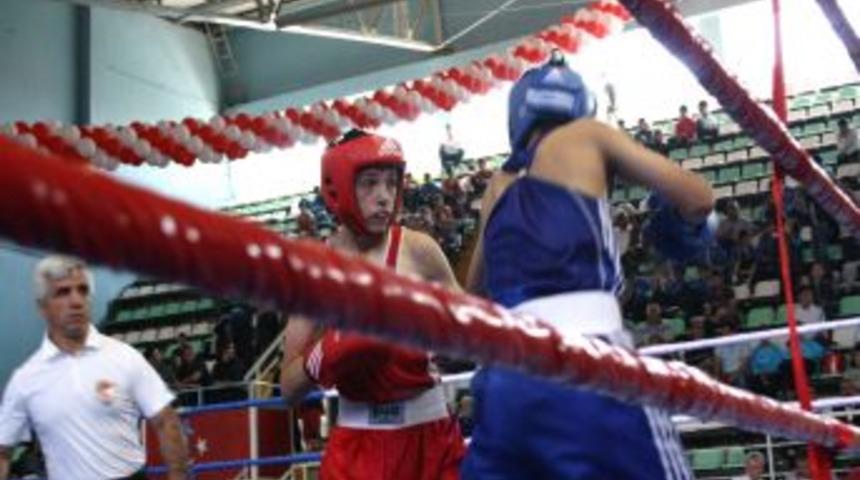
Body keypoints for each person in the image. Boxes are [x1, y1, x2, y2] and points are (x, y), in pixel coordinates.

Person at [463, 53, 714, 479]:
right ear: (581, 105)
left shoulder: (496, 188)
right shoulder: (588, 135)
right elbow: (699, 198)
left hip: (504, 378)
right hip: (591, 359)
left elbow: (472, 292)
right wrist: (682, 228)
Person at [279, 130, 465, 480]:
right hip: (356, 447)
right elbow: (288, 389)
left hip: (430, 437)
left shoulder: (418, 250)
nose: (384, 196)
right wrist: (325, 353)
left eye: (391, 184)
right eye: (370, 183)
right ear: (339, 189)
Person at [0, 256, 189, 479]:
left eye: (82, 290)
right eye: (63, 292)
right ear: (43, 307)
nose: (76, 301)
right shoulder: (26, 379)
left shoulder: (125, 357)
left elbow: (167, 421)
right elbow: (3, 452)